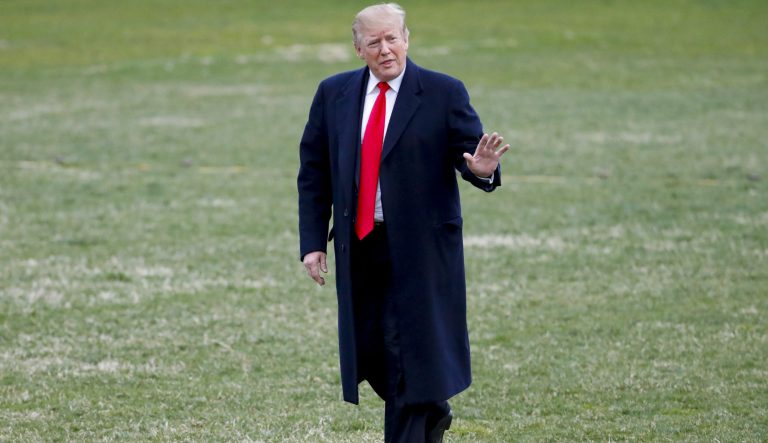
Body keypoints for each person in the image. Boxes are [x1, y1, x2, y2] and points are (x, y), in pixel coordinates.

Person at [297, 3, 509, 442]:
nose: (385, 49)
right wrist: (313, 241)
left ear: (407, 38)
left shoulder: (443, 92)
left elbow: (472, 159)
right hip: (361, 247)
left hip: (421, 251)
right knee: (376, 355)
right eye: (374, 42)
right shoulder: (333, 94)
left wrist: (483, 170)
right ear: (358, 49)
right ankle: (433, 410)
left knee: (406, 359)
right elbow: (314, 172)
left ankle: (419, 417)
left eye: (392, 38)